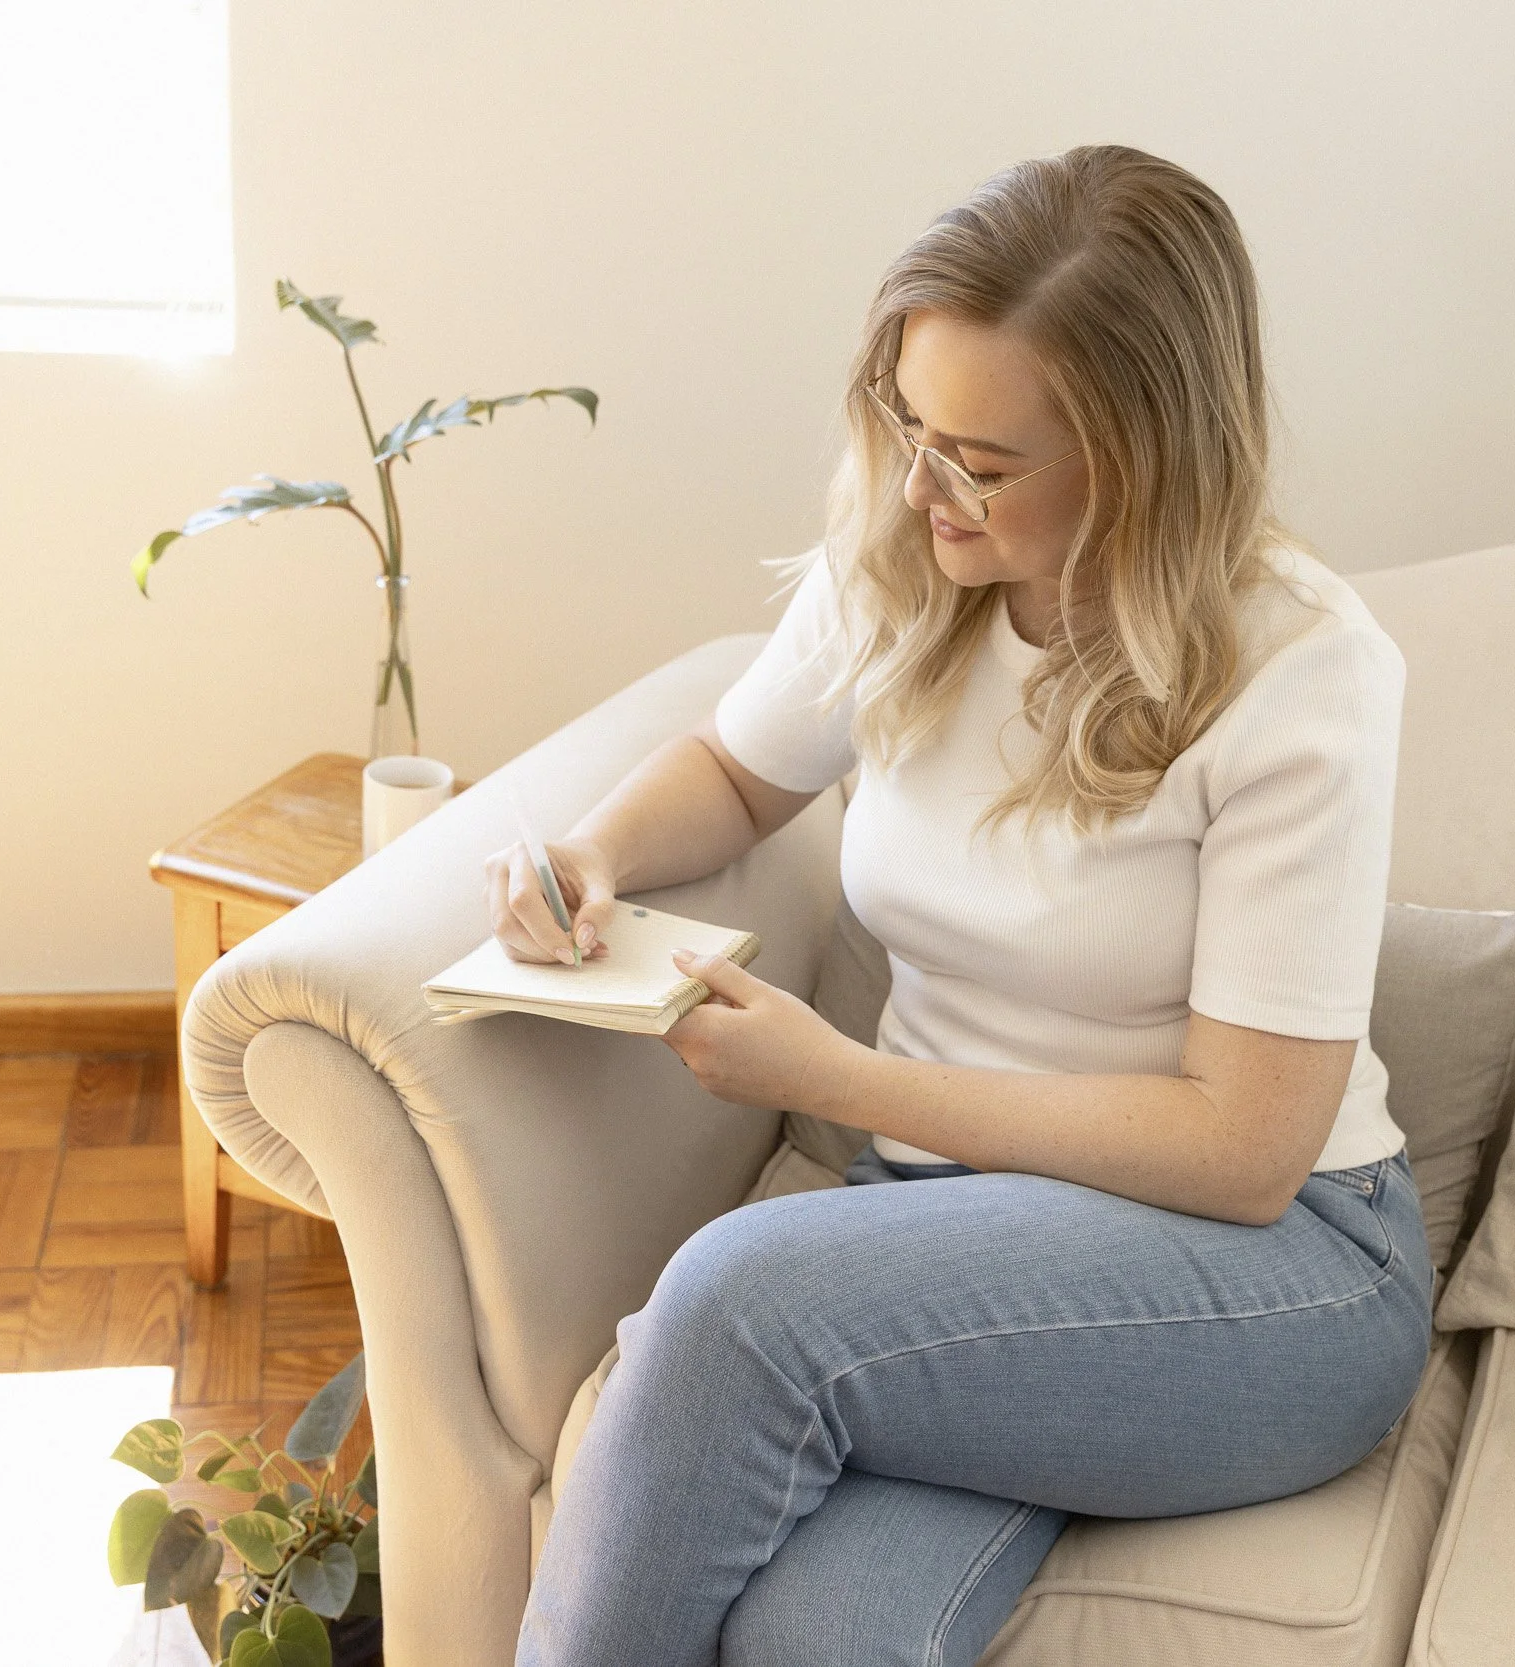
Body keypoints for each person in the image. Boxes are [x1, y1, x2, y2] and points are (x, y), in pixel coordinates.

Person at [494, 144, 1429, 1667]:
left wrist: (841, 1083)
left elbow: (1248, 1148)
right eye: (912, 427)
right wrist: (591, 855)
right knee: (818, 1636)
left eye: (982, 461)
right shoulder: (906, 565)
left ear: (1142, 460)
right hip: (956, 1222)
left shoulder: (1301, 668)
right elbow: (737, 771)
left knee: (736, 1300)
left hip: (1280, 1266)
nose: (924, 484)